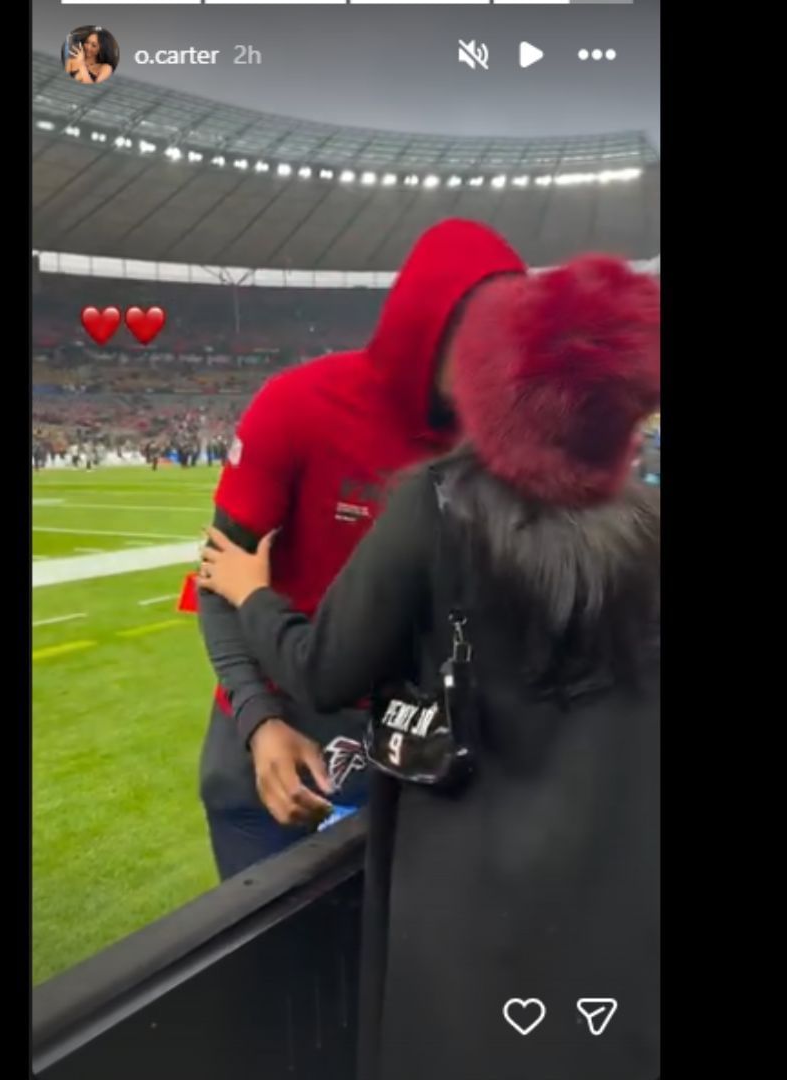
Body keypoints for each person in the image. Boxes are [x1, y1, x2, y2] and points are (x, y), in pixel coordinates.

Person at [197, 255, 661, 1078]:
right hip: (607, 883)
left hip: (461, 880)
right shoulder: (648, 524)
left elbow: (324, 671)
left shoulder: (442, 498)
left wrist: (252, 592)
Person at [193, 219, 527, 881]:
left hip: (417, 754)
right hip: (276, 733)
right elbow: (218, 576)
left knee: (392, 974)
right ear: (423, 322)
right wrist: (260, 724)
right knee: (278, 972)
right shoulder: (297, 405)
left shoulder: (501, 443)